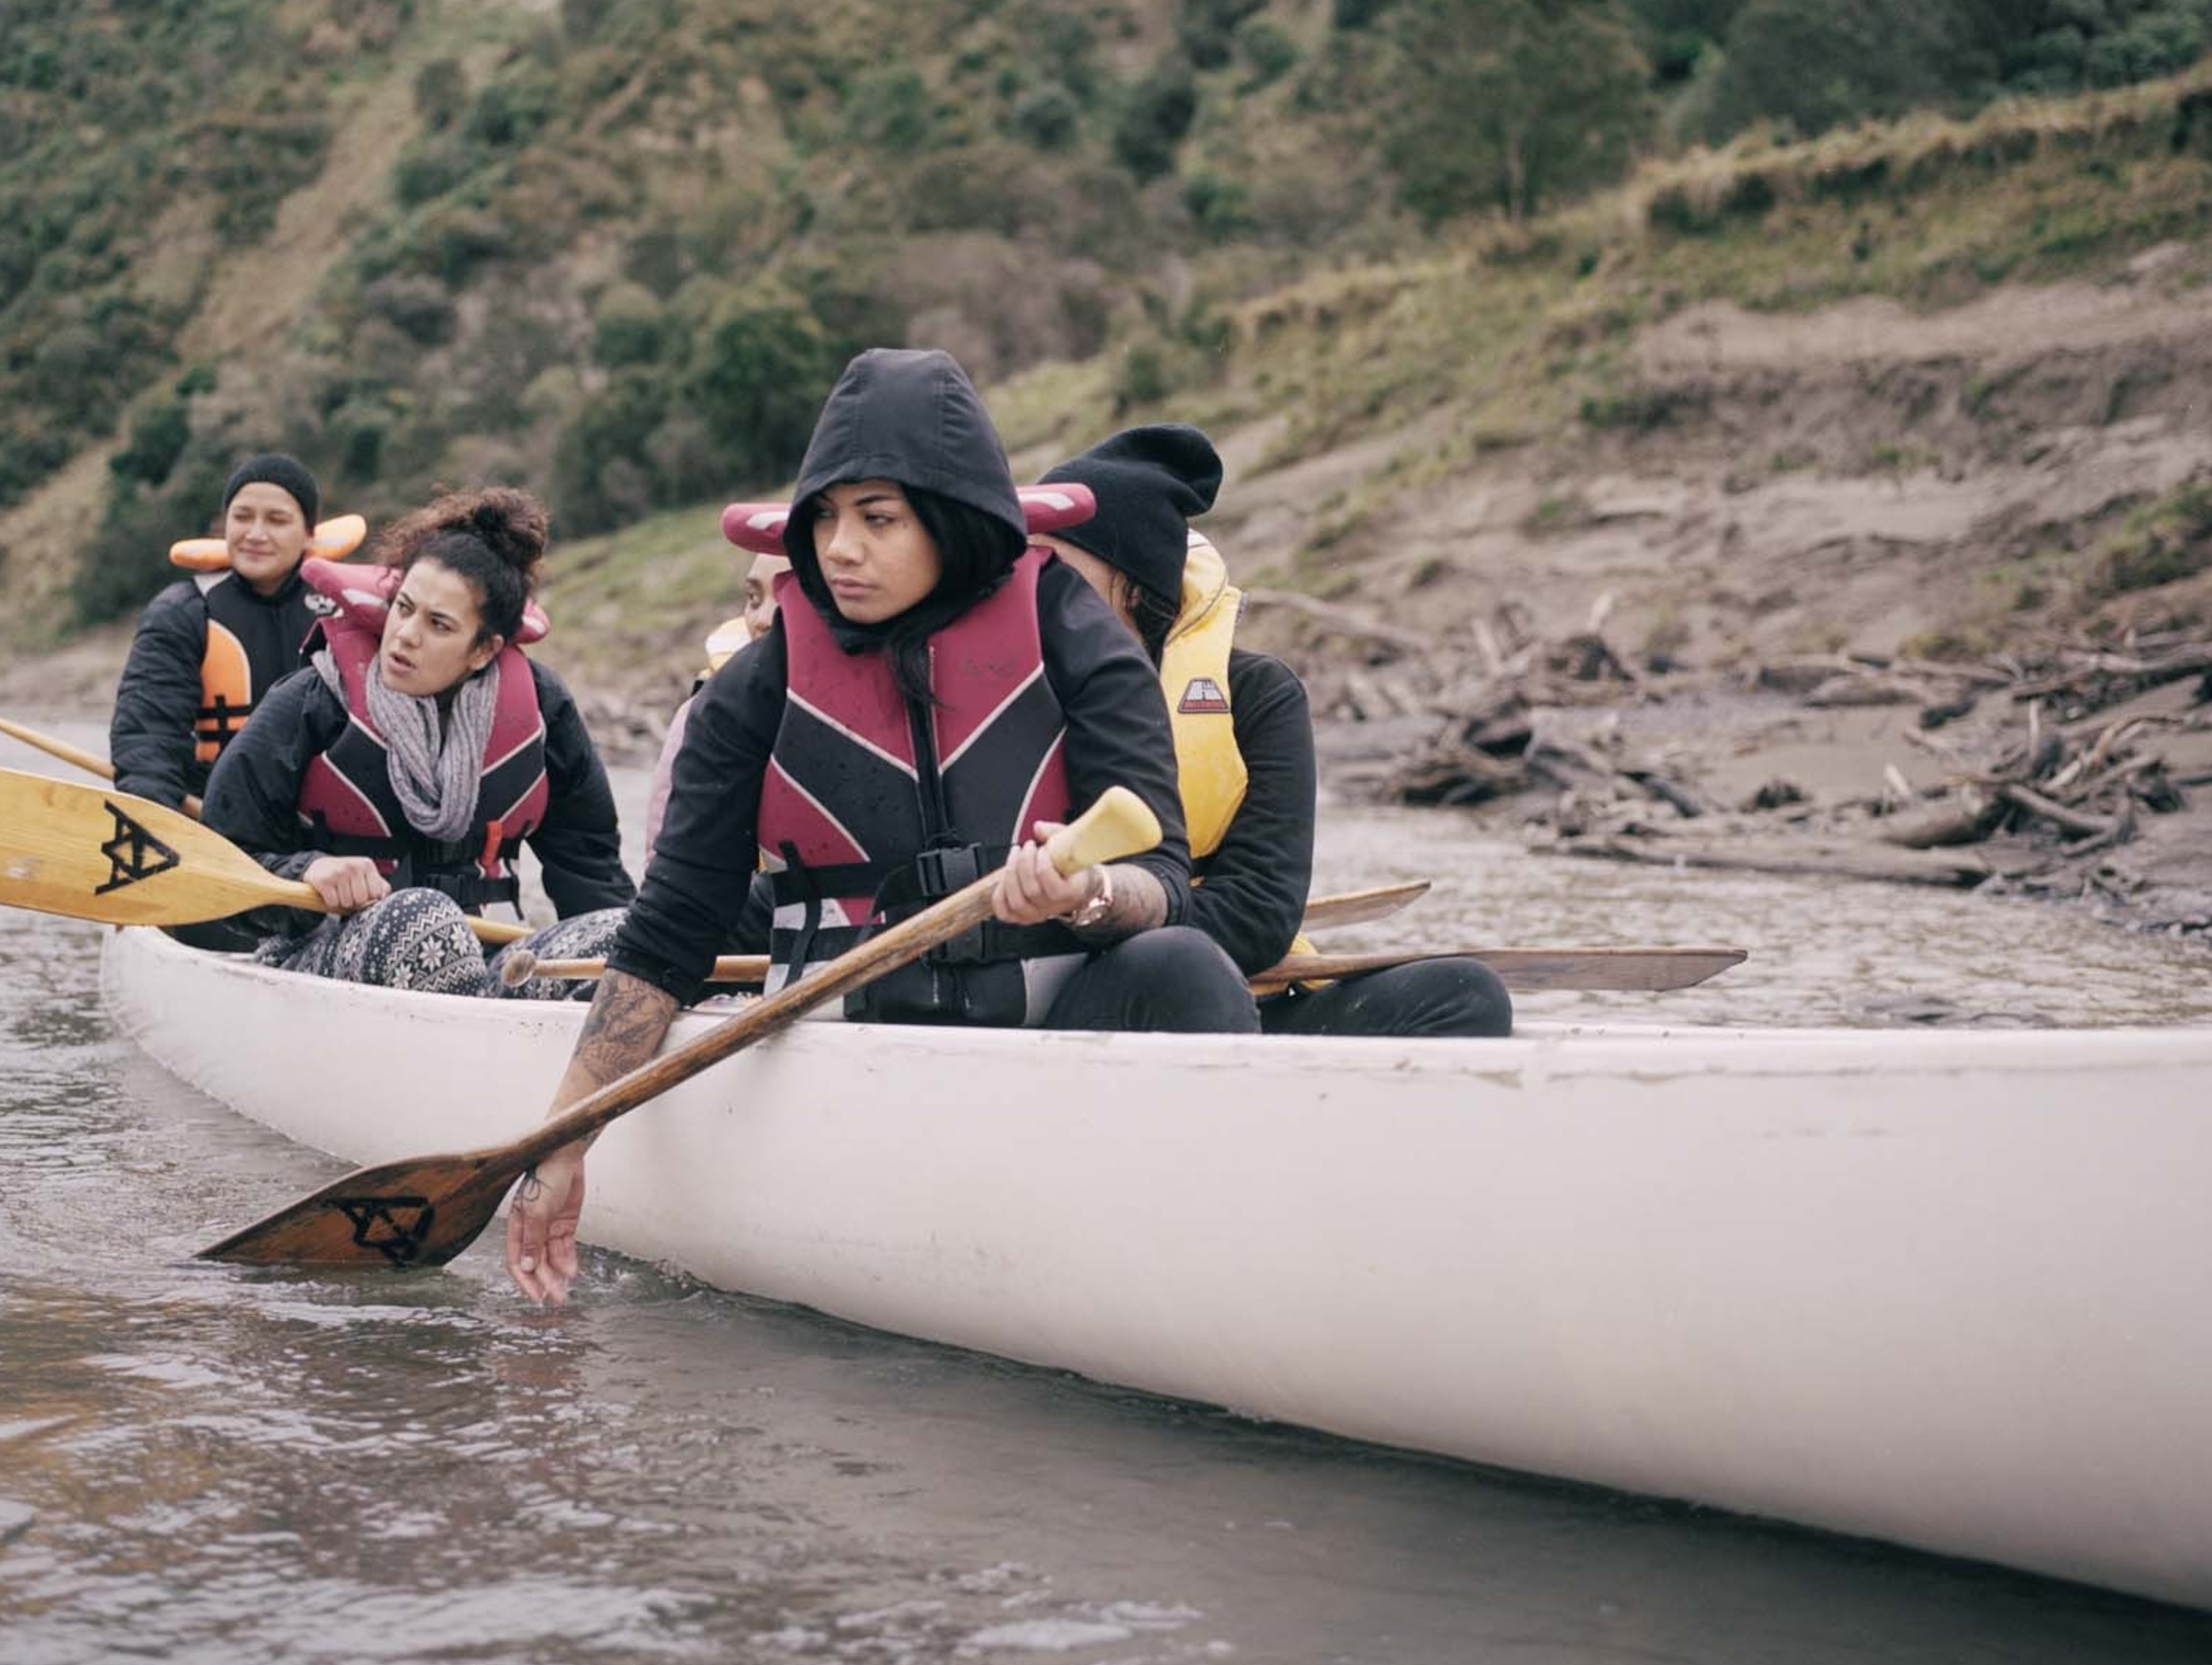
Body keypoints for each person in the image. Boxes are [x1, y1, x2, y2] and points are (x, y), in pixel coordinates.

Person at [505, 347, 1254, 1303]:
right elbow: (670, 932)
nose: (837, 548)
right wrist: (564, 1142)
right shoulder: (757, 687)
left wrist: (1091, 892)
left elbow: (1162, 877)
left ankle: (1209, 1272)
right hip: (837, 1041)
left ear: (951, 518)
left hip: (1046, 1031)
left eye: (878, 519)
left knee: (1182, 966)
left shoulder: (1073, 632)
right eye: (823, 516)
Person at [1037, 423, 1511, 1041]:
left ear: (1130, 585)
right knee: (1182, 967)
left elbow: (1258, 916)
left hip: (1227, 986)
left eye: (1057, 570)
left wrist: (1113, 901)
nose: (1033, 592)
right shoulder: (1010, 696)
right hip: (1087, 995)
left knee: (1464, 995)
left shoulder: (1259, 696)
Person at [196, 486, 631, 989]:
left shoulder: (543, 708)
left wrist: (630, 974)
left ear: (483, 650)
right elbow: (220, 852)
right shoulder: (313, 699)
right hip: (322, 952)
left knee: (623, 934)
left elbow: (591, 868)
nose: (404, 635)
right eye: (403, 608)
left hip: (489, 951)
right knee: (423, 921)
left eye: (439, 625)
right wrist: (306, 870)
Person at [109, 453, 340, 808]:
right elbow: (148, 735)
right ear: (225, 524)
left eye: (277, 520)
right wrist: (152, 818)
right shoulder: (182, 612)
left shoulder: (343, 611)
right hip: (218, 815)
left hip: (322, 822)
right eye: (242, 517)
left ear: (309, 533)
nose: (256, 534)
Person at [640, 551, 784, 861]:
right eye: (753, 598)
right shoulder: (704, 711)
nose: (761, 620)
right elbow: (663, 858)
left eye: (789, 598)